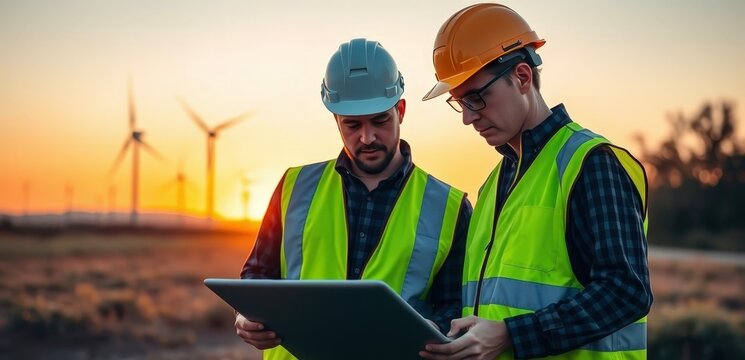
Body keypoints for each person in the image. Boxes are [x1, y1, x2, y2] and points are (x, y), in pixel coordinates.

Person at [419, 4, 652, 360]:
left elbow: (626, 291)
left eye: (477, 98)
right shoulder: (495, 183)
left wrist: (512, 336)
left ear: (523, 77)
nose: (468, 117)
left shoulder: (592, 163)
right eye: (459, 103)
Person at [234, 38, 472, 360]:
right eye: (352, 124)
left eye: (380, 120)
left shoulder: (450, 206)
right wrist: (247, 317)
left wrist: (433, 330)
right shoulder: (294, 186)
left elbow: (456, 306)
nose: (367, 137)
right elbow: (257, 277)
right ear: (335, 118)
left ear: (400, 110)